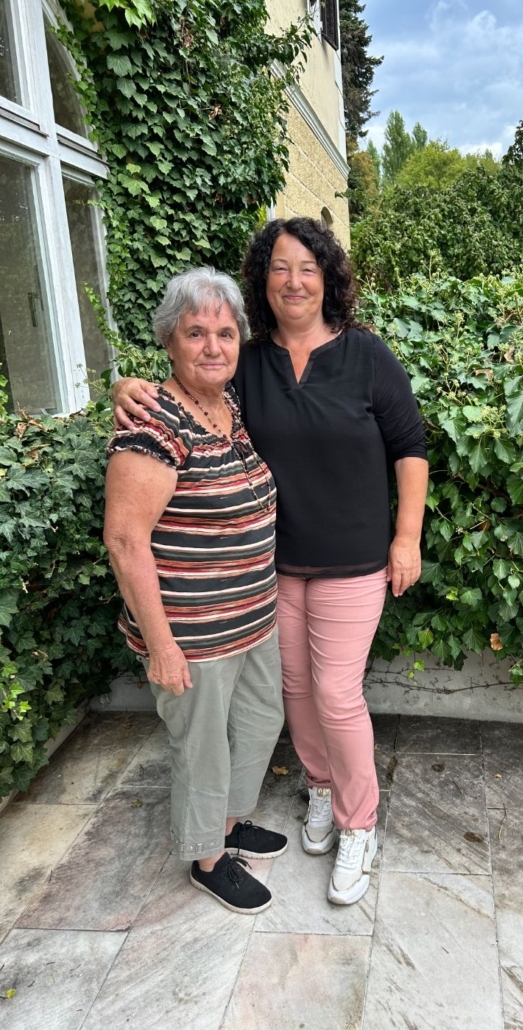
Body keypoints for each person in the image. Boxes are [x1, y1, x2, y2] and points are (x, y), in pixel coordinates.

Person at [113, 218, 429, 906]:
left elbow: (409, 444)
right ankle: (319, 788)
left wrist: (406, 538)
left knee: (336, 693)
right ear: (263, 279)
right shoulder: (247, 363)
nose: (294, 281)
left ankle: (358, 822)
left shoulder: (366, 354)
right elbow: (185, 390)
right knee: (293, 693)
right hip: (272, 572)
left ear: (327, 278)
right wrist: (126, 387)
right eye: (280, 267)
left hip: (352, 563)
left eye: (307, 267)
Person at [104, 267, 288, 916]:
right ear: (169, 340)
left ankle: (228, 825)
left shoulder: (225, 405)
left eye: (225, 333)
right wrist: (162, 647)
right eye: (195, 333)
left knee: (260, 722)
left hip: (252, 619)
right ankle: (207, 859)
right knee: (203, 750)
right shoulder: (154, 424)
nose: (213, 346)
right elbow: (125, 540)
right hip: (193, 635)